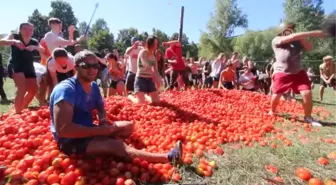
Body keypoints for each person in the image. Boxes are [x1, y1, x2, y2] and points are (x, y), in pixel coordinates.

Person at [49, 50, 183, 163]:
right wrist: (100, 132)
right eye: (86, 65)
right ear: (76, 67)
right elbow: (63, 130)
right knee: (117, 146)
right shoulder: (66, 90)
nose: (92, 69)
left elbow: (100, 107)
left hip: (89, 129)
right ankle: (168, 157)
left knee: (128, 126)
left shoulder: (94, 87)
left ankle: (103, 143)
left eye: (95, 66)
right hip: (70, 140)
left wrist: (102, 121)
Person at [269, 23, 324, 126]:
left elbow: (309, 47)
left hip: (298, 72)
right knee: (276, 95)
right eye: (287, 29)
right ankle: (272, 110)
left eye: (291, 29)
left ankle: (308, 117)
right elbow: (293, 36)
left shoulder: (297, 41)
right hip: (282, 72)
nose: (290, 31)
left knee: (307, 93)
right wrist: (313, 33)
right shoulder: (276, 39)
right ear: (281, 30)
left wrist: (302, 38)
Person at [0, 22, 45, 114]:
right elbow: (1, 42)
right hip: (16, 65)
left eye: (30, 29)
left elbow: (43, 49)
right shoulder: (14, 36)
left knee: (33, 90)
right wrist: (13, 42)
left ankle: (20, 108)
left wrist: (35, 47)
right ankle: (18, 113)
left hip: (29, 67)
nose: (28, 31)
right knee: (22, 89)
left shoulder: (34, 41)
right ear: (20, 30)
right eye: (25, 29)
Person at [128, 36, 160, 104]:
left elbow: (156, 70)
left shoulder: (153, 56)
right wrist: (154, 76)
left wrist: (158, 80)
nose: (156, 46)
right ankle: (130, 96)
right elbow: (146, 65)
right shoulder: (142, 53)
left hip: (149, 79)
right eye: (155, 44)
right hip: (141, 79)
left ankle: (145, 96)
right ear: (150, 44)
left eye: (157, 44)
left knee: (156, 102)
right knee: (140, 103)